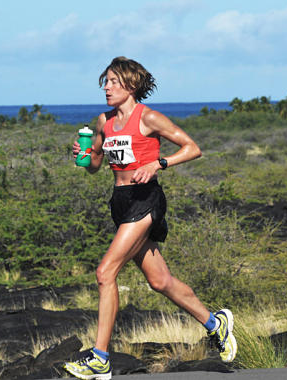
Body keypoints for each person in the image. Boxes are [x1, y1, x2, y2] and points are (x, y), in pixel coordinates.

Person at [64, 57, 236, 380]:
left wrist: (159, 163)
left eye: (113, 82)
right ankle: (216, 323)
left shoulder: (149, 118)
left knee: (105, 272)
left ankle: (100, 357)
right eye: (105, 82)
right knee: (160, 282)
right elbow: (95, 165)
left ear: (131, 85)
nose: (106, 88)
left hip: (146, 200)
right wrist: (82, 156)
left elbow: (192, 148)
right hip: (120, 203)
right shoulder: (104, 122)